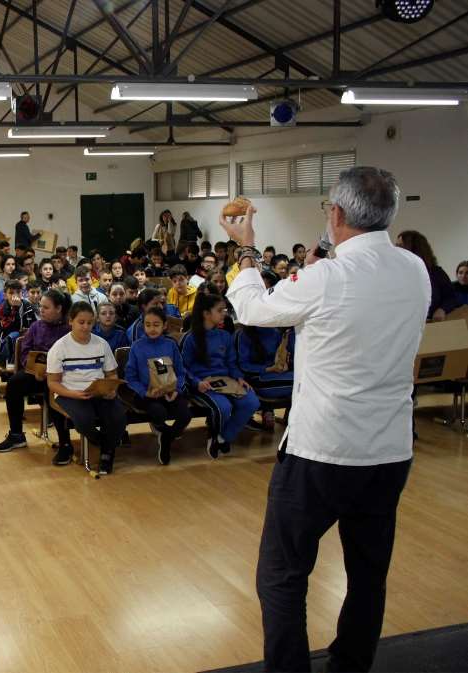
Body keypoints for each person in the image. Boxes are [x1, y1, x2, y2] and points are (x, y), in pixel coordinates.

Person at [221, 166, 430, 672]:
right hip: (388, 450)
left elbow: (251, 308)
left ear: (335, 214)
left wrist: (246, 247)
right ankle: (350, 664)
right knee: (367, 572)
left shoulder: (326, 278)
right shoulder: (415, 269)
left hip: (322, 452)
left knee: (283, 574)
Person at [46, 301, 126, 475]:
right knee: (84, 420)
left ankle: (107, 453)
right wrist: (72, 394)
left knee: (118, 415)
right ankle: (104, 443)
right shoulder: (59, 348)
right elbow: (52, 383)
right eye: (81, 322)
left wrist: (112, 390)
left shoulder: (101, 344)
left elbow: (112, 374)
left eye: (89, 323)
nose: (85, 327)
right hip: (70, 392)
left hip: (98, 391)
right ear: (71, 321)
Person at [0, 289, 73, 462]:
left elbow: (73, 355)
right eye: (40, 307)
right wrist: (34, 368)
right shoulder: (36, 326)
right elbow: (25, 351)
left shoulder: (69, 328)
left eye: (46, 307)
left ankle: (65, 444)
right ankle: (16, 435)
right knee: (14, 383)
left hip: (62, 377)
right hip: (37, 373)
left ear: (59, 308)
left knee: (52, 392)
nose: (41, 310)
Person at [181, 292, 260, 458]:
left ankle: (223, 437)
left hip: (225, 381)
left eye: (225, 310)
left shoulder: (225, 336)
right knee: (223, 407)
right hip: (203, 384)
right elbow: (183, 368)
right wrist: (196, 383)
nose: (224, 313)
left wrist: (238, 378)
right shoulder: (191, 338)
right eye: (220, 310)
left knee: (251, 401)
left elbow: (231, 363)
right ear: (206, 313)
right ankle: (213, 436)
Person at [123, 307, 191, 465]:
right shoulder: (137, 346)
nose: (152, 329)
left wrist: (176, 389)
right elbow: (130, 377)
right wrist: (144, 392)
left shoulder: (170, 345)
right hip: (146, 395)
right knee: (158, 412)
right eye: (148, 325)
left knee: (185, 414)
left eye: (156, 325)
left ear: (164, 325)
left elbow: (180, 372)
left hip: (169, 391)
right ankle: (165, 434)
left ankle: (166, 437)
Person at [395, 230, 458, 320]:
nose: (395, 250)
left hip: (433, 326)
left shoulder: (436, 273)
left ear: (414, 249)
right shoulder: (396, 274)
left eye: (400, 246)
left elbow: (451, 297)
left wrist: (442, 309)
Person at [0, 279, 36, 366]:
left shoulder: (27, 305)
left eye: (18, 292)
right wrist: (15, 309)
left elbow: (34, 324)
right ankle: (11, 364)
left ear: (22, 293)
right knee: (14, 335)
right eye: (11, 293)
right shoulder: (1, 309)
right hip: (5, 342)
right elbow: (8, 329)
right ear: (5, 296)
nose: (15, 296)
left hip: (25, 339)